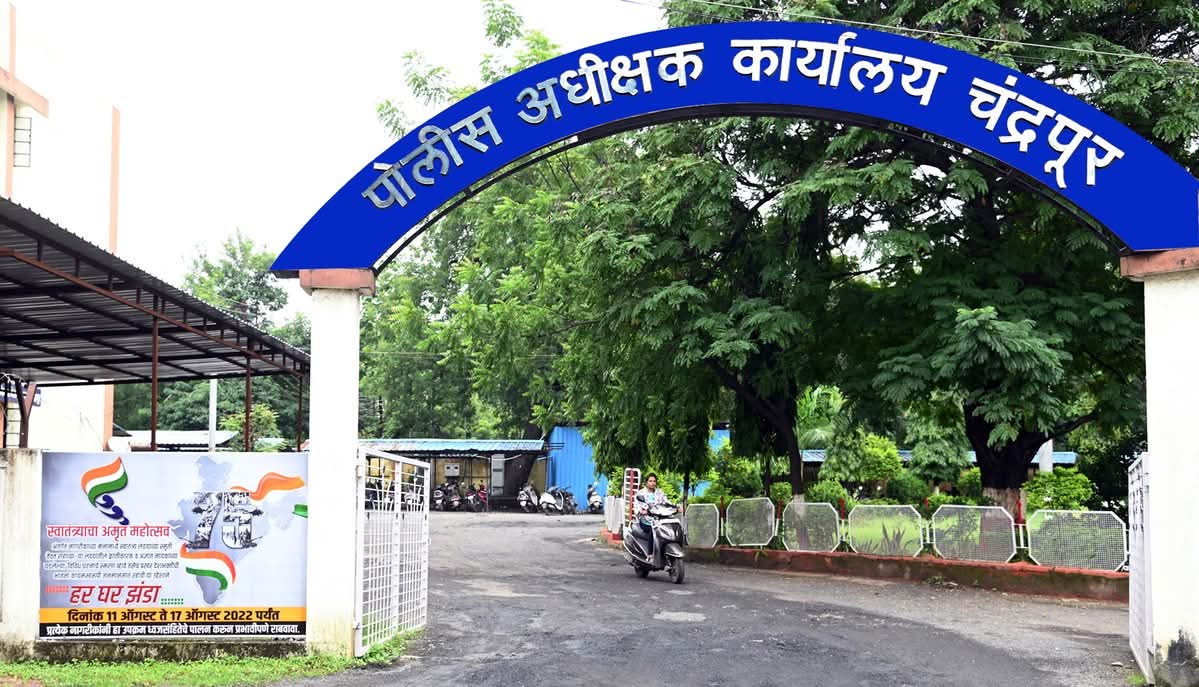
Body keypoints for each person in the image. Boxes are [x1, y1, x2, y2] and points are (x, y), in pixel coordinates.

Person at [634, 473, 668, 537]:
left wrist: (676, 507)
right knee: (653, 531)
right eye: (650, 481)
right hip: (646, 521)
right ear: (646, 482)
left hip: (659, 520)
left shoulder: (660, 492)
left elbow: (666, 502)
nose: (652, 483)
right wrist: (641, 511)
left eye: (654, 481)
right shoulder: (640, 493)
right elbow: (636, 506)